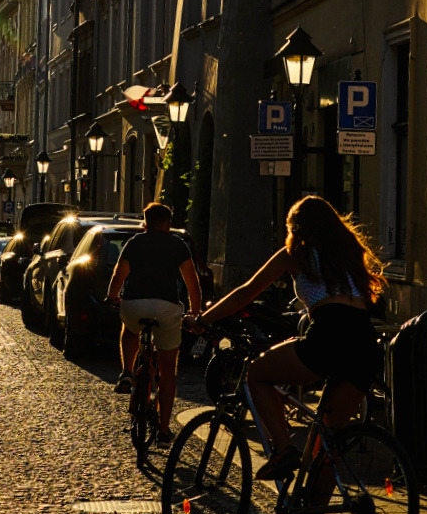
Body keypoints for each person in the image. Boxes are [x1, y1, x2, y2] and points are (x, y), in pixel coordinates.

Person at [189, 195, 382, 480]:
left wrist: (203, 319)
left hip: (330, 335)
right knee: (328, 445)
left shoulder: (297, 253)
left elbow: (246, 292)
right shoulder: (348, 255)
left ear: (297, 228)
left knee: (257, 373)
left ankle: (283, 449)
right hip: (365, 343)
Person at [105, 202, 202, 445]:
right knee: (168, 369)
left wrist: (113, 296)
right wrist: (195, 312)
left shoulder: (135, 243)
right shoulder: (178, 245)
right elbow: (193, 283)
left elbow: (119, 274)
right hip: (167, 307)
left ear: (145, 222)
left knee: (129, 330)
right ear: (168, 223)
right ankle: (164, 430)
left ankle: (127, 372)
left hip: (134, 304)